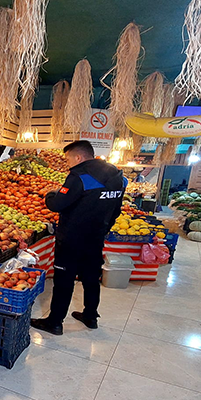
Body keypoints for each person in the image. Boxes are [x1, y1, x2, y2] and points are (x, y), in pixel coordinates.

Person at [31, 140, 127, 335]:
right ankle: (90, 316)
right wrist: (104, 228)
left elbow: (57, 204)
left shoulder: (79, 176)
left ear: (78, 157)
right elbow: (116, 209)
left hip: (72, 239)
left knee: (64, 279)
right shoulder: (117, 176)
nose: (68, 164)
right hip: (96, 237)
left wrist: (50, 195)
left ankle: (55, 322)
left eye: (68, 159)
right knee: (91, 277)